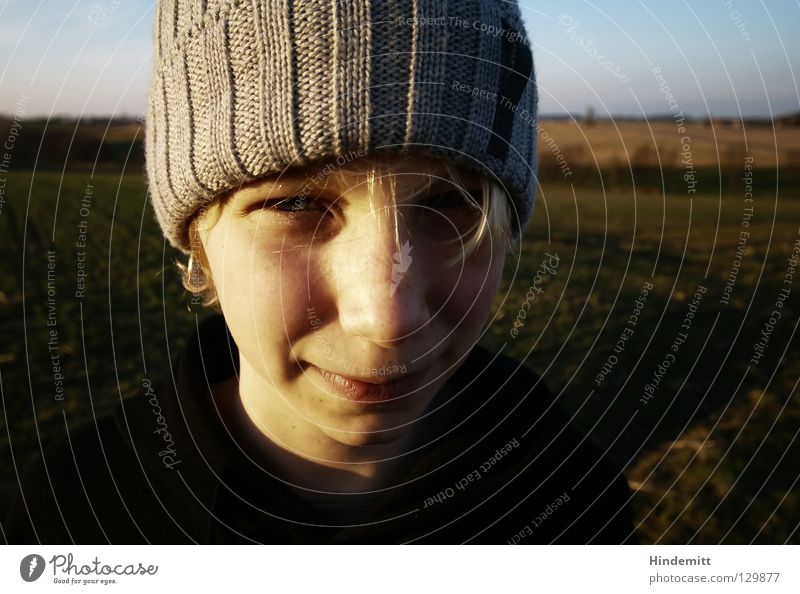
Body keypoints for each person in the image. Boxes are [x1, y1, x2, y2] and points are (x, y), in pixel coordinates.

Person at [3, 0, 638, 544]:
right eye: (295, 204)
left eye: (451, 203)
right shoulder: (83, 510)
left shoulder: (573, 503)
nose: (387, 319)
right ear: (200, 240)